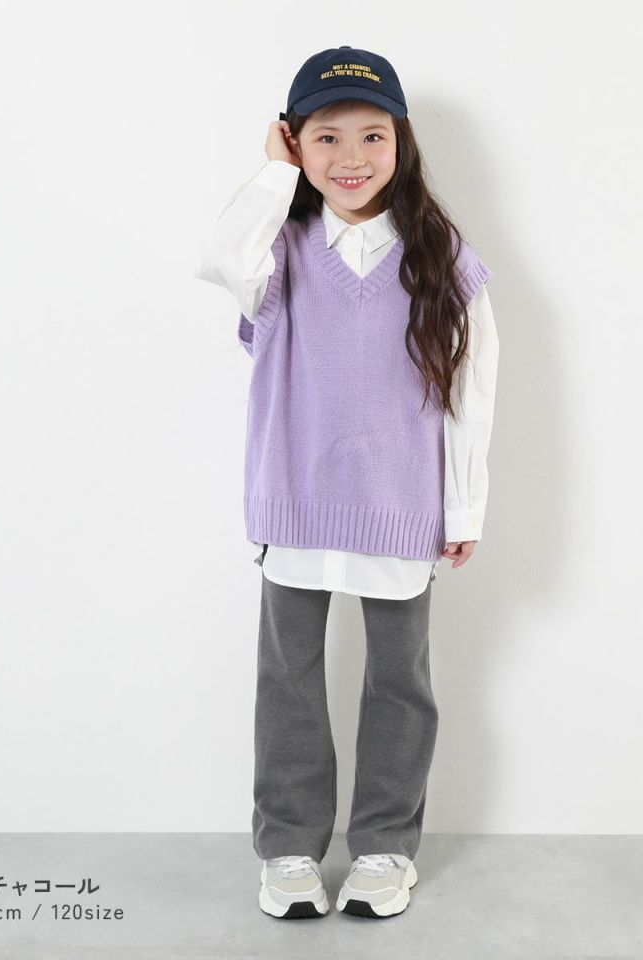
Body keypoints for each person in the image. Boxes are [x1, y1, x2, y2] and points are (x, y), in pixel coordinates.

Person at [192, 45, 499, 920]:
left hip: (401, 506)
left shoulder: (439, 256)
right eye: (326, 137)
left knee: (399, 682)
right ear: (295, 143)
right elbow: (218, 257)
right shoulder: (278, 250)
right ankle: (289, 848)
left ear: (401, 140)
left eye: (372, 135)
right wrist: (271, 174)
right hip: (294, 501)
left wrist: (463, 504)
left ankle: (384, 847)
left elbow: (473, 386)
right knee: (289, 680)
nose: (352, 157)